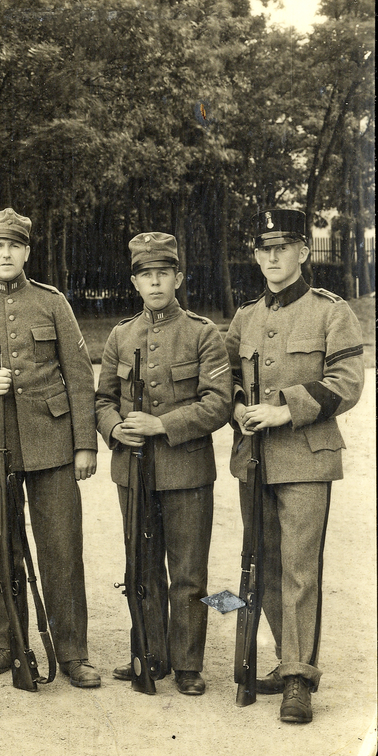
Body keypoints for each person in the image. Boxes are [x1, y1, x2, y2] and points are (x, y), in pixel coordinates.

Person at [0, 207, 102, 688]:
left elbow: (78, 376)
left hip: (52, 443)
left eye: (14, 245)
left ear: (27, 252)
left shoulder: (52, 302)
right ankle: (9, 641)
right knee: (3, 547)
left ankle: (72, 653)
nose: (6, 253)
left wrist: (85, 445)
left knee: (62, 548)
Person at [224, 208, 364, 724]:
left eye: (282, 247)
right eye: (264, 249)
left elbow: (347, 382)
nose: (273, 257)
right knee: (263, 565)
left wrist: (285, 409)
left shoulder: (331, 311)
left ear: (303, 251)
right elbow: (225, 377)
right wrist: (238, 407)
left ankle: (299, 680)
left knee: (300, 570)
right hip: (253, 458)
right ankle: (288, 660)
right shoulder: (245, 317)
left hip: (306, 457)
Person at [94, 232, 232, 696]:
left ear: (178, 278)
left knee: (188, 573)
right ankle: (152, 654)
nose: (155, 282)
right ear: (134, 282)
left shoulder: (202, 333)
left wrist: (160, 425)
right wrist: (115, 428)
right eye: (146, 275)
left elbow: (218, 403)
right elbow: (102, 400)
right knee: (142, 568)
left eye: (163, 274)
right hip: (133, 472)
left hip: (187, 471)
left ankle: (188, 663)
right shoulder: (120, 335)